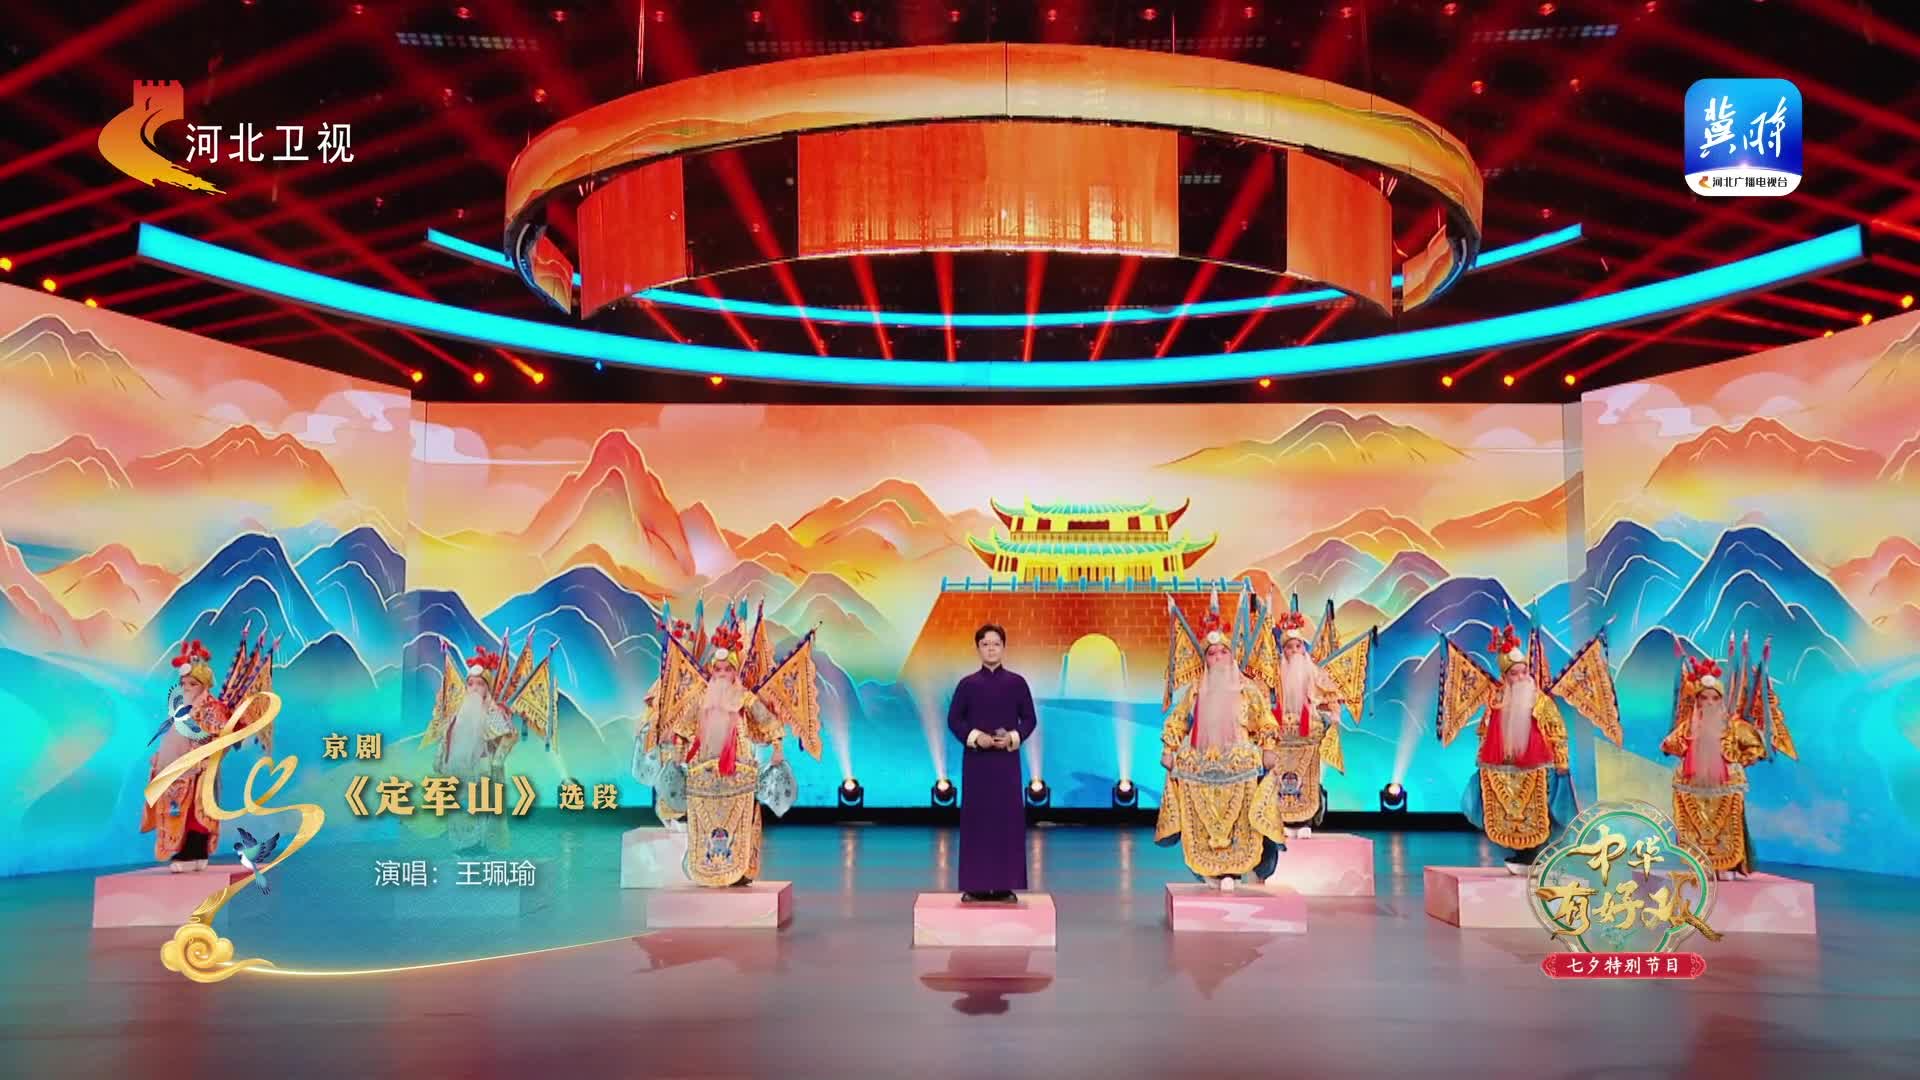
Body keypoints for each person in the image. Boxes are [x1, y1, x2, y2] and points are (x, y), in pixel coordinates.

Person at [648, 614, 821, 888]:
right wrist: (677, 755)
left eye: (726, 670)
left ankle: (740, 869)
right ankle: (706, 866)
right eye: (717, 670)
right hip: (704, 772)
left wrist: (777, 749)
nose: (721, 675)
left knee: (741, 821)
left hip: (737, 771)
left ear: (735, 672)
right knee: (703, 822)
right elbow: (683, 728)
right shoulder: (702, 700)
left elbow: (768, 721)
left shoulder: (744, 697)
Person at [1436, 624, 1622, 874]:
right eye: (1515, 674)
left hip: (1538, 769)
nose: (1523, 677)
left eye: (1525, 672)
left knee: (1547, 810)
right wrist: (1482, 758)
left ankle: (1538, 851)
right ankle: (1519, 851)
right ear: (1505, 676)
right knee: (1483, 803)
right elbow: (1484, 731)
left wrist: (1561, 762)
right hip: (1500, 770)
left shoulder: (1540, 701)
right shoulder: (1496, 700)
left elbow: (1556, 730)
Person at [1156, 598, 1285, 890]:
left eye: (1223, 652)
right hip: (1200, 765)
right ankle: (1208, 869)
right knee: (1197, 813)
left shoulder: (1247, 689)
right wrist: (1169, 748)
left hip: (1239, 764)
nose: (1217, 657)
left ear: (1231, 656)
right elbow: (1178, 720)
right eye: (1212, 653)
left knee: (1248, 814)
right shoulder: (1196, 690)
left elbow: (1265, 721)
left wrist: (1268, 748)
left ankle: (1245, 868)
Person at [1661, 638, 1794, 878]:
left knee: (1727, 825)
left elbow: (1757, 747)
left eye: (1714, 698)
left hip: (1727, 784)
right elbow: (1669, 744)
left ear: (1721, 700)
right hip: (1691, 784)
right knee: (1695, 826)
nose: (1709, 703)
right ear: (1697, 700)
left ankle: (1727, 865)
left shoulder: (1734, 726)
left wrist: (1736, 758)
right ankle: (1702, 865)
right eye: (1703, 698)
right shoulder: (1689, 726)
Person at [946, 623, 1038, 903]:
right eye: (985, 644)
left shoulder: (1017, 683)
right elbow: (954, 720)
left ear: (1003, 648)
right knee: (977, 821)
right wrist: (977, 738)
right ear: (978, 649)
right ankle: (975, 885)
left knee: (1006, 821)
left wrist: (1012, 737)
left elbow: (1029, 719)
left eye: (996, 644)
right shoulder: (967, 685)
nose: (991, 649)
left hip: (1006, 764)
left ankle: (1004, 886)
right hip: (977, 764)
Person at [1268, 607, 1370, 839]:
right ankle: (1282, 821)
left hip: (1309, 737)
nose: (1294, 651)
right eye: (1289, 647)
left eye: (1298, 646)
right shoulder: (1275, 674)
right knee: (1279, 780)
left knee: (1308, 779)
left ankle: (1305, 821)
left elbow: (1332, 696)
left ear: (1304, 648)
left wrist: (1333, 715)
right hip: (1281, 738)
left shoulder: (1314, 673)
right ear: (1283, 651)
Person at [141, 640, 230, 872]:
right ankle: (187, 850)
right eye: (183, 683)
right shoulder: (182, 709)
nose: (186, 687)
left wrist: (202, 759)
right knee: (178, 810)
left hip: (199, 771)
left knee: (196, 812)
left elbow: (219, 739)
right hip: (178, 771)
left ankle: (195, 851)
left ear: (204, 685)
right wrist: (160, 757)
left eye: (192, 683)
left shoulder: (213, 709)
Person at [435, 647, 518, 853]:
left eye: (480, 684)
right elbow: (446, 737)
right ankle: (460, 846)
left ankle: (478, 847)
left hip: (481, 770)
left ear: (487, 688)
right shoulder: (458, 713)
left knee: (479, 810)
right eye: (470, 683)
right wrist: (440, 759)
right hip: (456, 771)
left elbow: (510, 734)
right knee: (457, 810)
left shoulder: (492, 712)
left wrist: (497, 760)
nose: (474, 688)